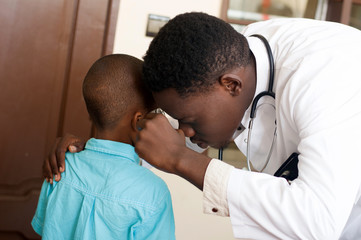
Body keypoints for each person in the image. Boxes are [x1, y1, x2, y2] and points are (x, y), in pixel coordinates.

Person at [43, 13, 361, 239]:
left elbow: (318, 223)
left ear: (231, 85)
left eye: (190, 121)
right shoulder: (226, 60)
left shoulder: (326, 78)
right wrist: (95, 152)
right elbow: (147, 125)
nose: (186, 132)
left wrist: (183, 161)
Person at [33, 54, 175, 240]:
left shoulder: (61, 166)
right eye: (156, 111)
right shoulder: (154, 192)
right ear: (138, 121)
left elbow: (44, 229)